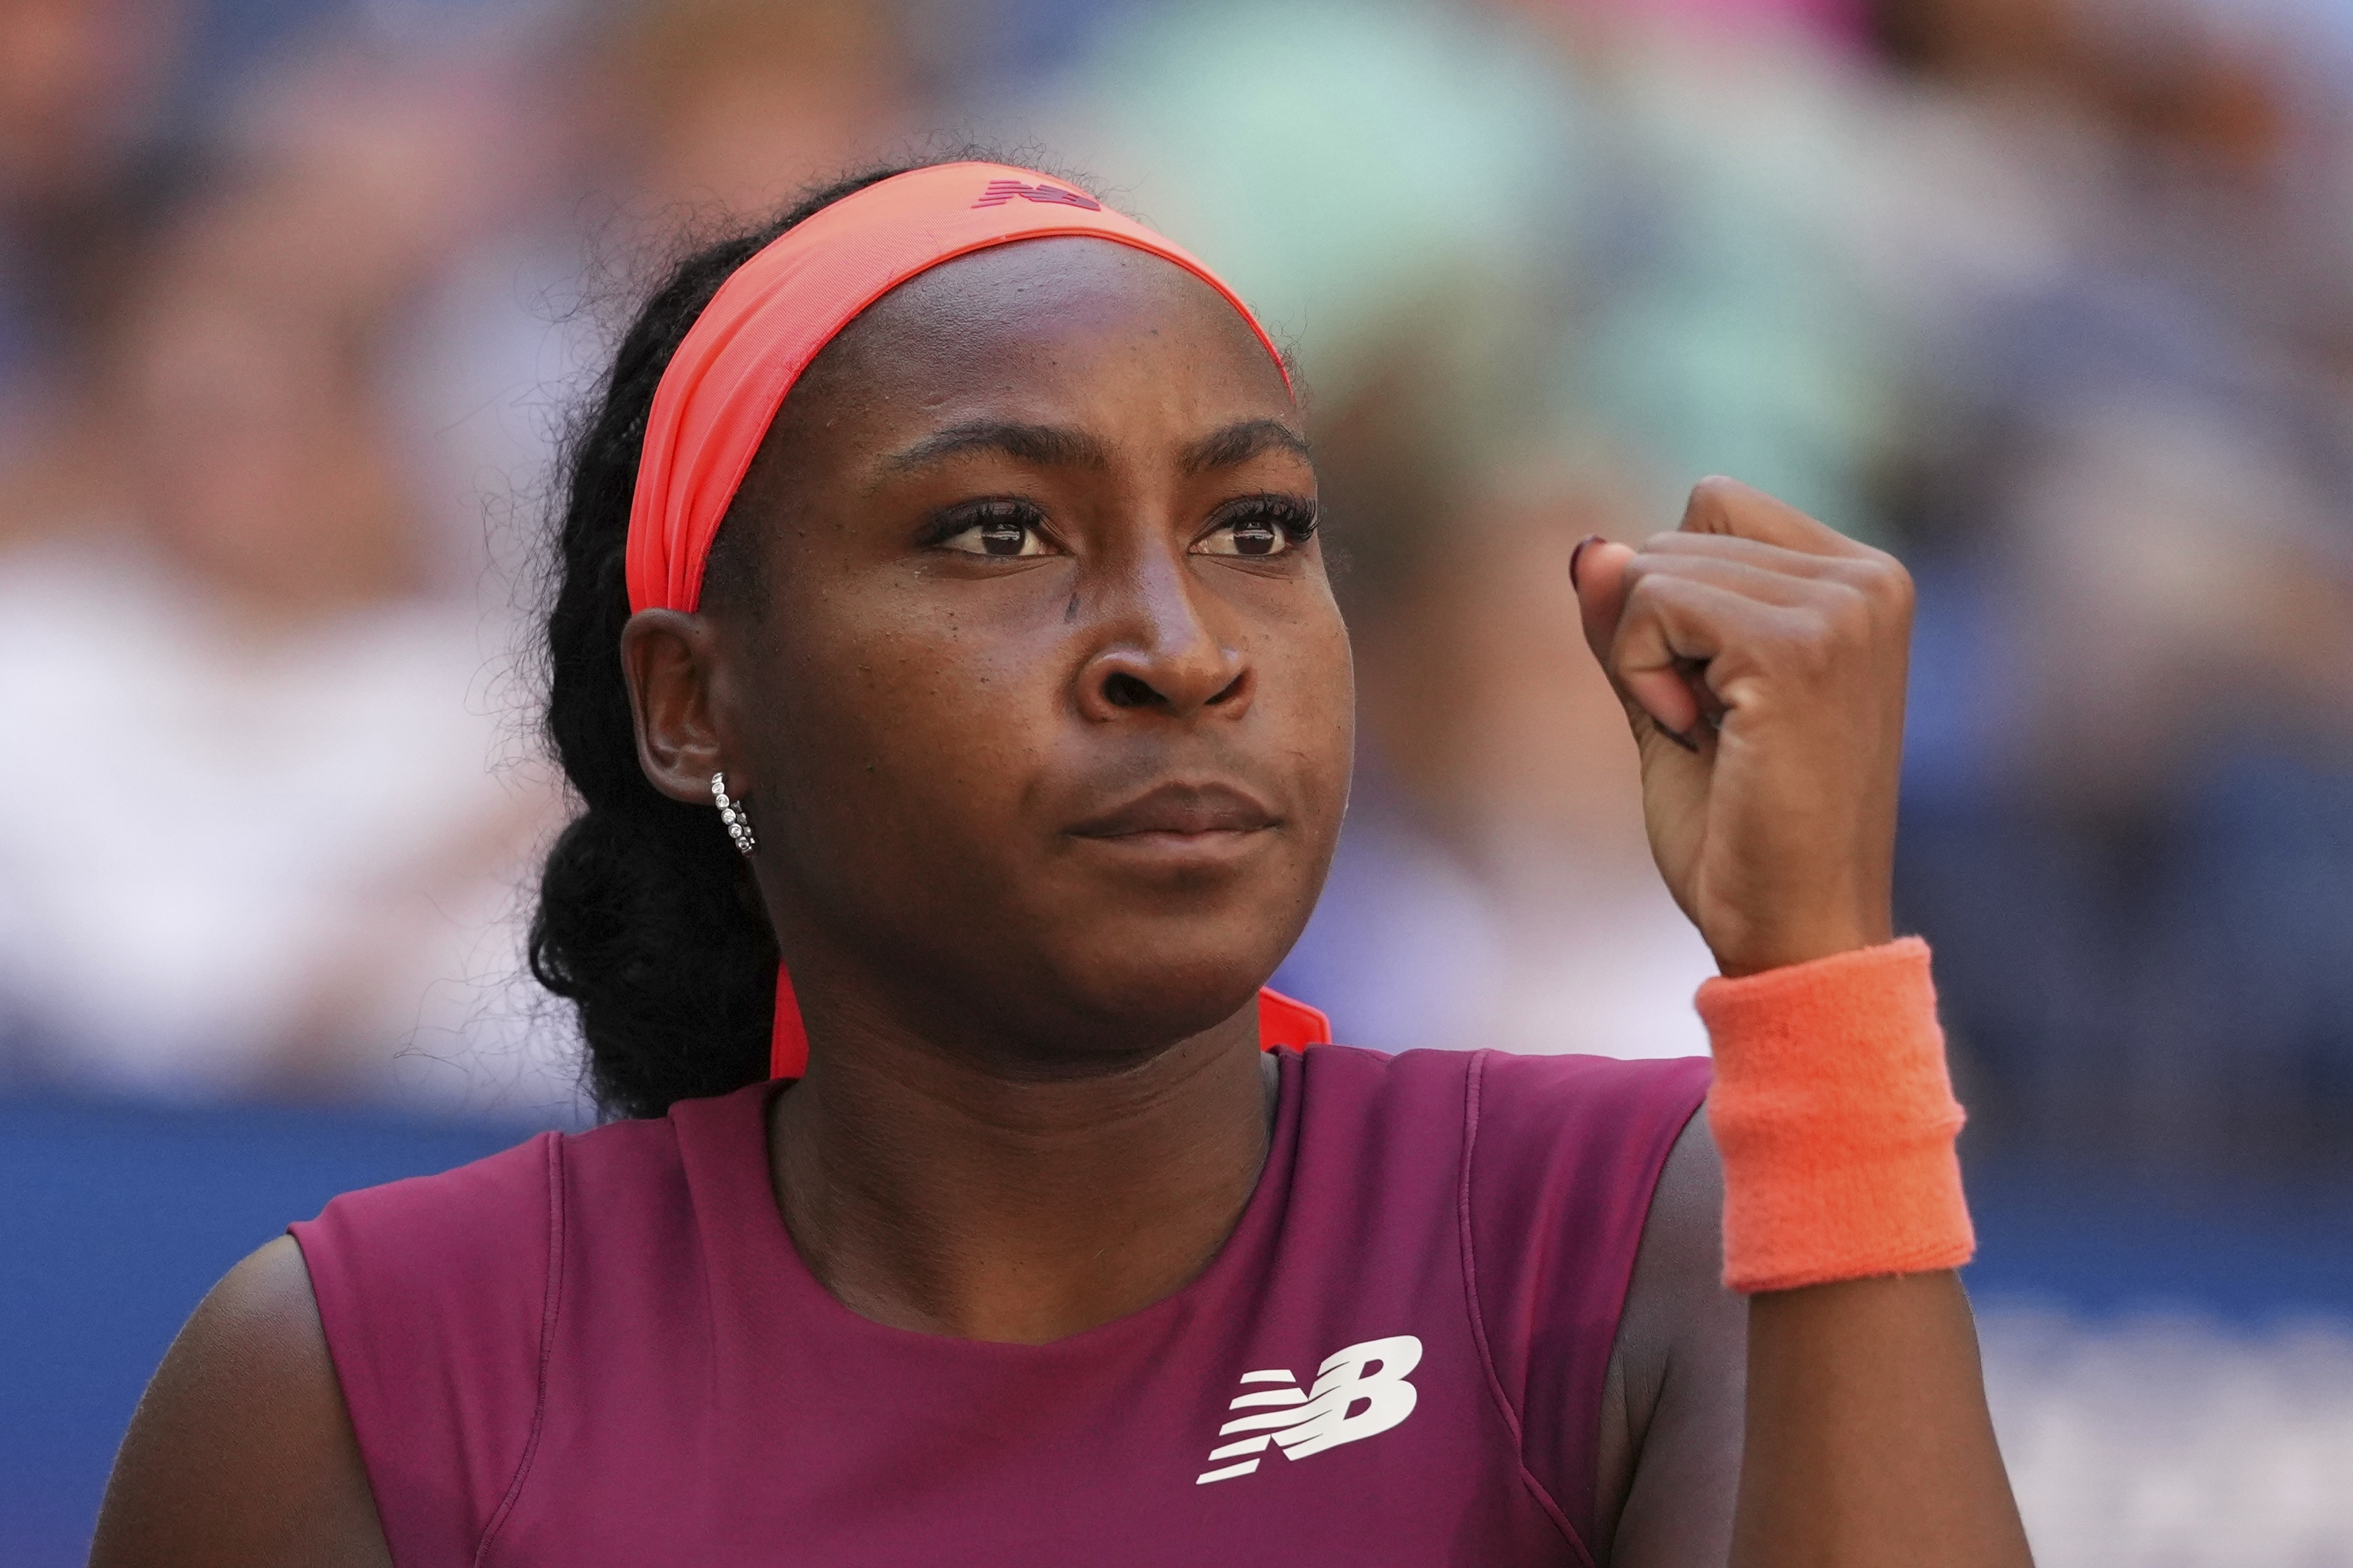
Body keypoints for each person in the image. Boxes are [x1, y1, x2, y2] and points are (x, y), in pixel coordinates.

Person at [89, 160, 2030, 1565]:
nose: (1181, 645)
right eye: (1000, 534)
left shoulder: (1638, 1225)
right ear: (695, 706)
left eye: (1258, 529)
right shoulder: (360, 1376)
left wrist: (1817, 1000)